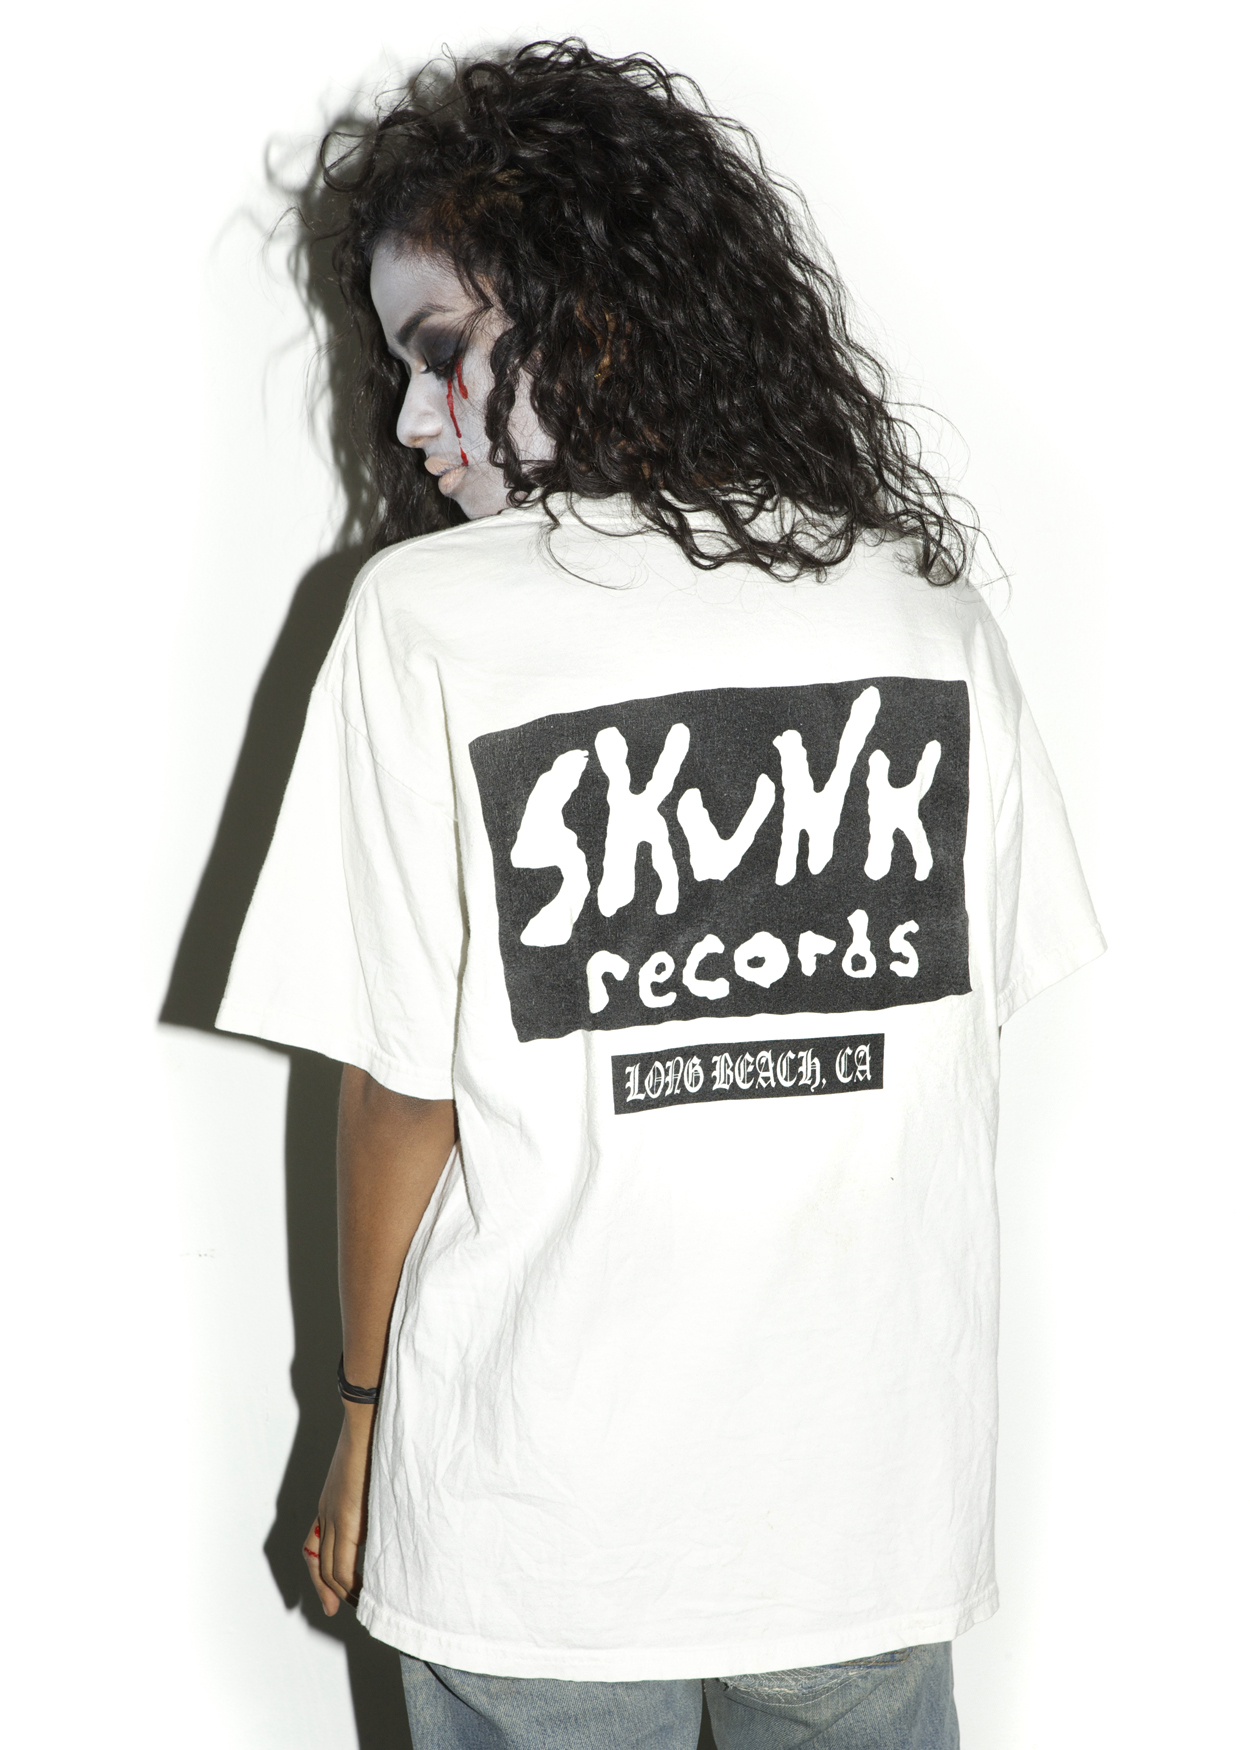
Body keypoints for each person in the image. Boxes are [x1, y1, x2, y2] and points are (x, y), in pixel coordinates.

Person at [217, 39, 1104, 1750]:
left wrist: (356, 1408)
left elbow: (399, 1089)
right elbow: (950, 1030)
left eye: (443, 352)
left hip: (539, 1523)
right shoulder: (917, 609)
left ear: (597, 318)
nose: (412, 419)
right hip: (864, 1509)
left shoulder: (427, 621)